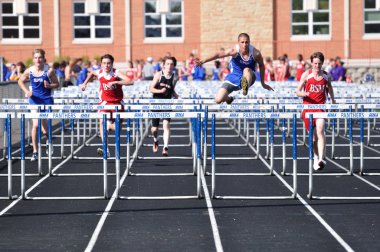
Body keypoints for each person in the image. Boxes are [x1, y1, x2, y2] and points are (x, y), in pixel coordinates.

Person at [195, 33, 274, 104]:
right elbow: (219, 54)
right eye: (242, 42)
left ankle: (245, 87)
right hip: (234, 76)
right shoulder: (234, 51)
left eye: (247, 42)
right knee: (218, 100)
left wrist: (263, 83)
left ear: (249, 42)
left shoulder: (256, 53)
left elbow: (261, 65)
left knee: (246, 70)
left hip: (249, 76)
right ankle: (229, 99)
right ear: (238, 43)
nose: (245, 45)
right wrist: (204, 60)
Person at [81, 54, 134, 157]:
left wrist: (116, 82)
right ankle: (106, 148)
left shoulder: (116, 72)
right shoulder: (99, 72)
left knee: (117, 128)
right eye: (104, 63)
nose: (106, 65)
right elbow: (91, 73)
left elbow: (130, 81)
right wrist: (84, 83)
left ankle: (109, 126)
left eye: (108, 63)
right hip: (105, 102)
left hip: (117, 102)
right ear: (101, 64)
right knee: (101, 122)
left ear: (112, 64)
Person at [296, 51, 335, 171]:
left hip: (320, 107)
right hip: (308, 107)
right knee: (313, 138)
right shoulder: (306, 75)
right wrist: (305, 93)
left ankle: (322, 159)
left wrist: (333, 100)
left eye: (319, 64)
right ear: (312, 63)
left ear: (322, 64)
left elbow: (330, 88)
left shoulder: (326, 76)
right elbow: (297, 91)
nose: (317, 66)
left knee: (320, 131)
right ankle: (316, 156)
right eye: (315, 64)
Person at [18, 48, 59, 161]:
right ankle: (35, 151)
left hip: (47, 100)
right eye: (36, 58)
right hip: (34, 100)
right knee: (36, 125)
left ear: (44, 59)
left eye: (40, 57)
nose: (38, 60)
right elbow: (20, 81)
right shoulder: (29, 71)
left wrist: (50, 86)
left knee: (45, 127)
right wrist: (26, 91)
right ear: (33, 59)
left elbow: (57, 84)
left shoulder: (49, 71)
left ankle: (48, 140)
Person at [149, 56, 179, 156]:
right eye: (167, 64)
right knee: (154, 129)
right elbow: (151, 89)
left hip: (167, 103)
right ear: (164, 65)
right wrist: (160, 91)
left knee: (166, 125)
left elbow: (172, 90)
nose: (169, 66)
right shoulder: (158, 75)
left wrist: (177, 96)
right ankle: (155, 140)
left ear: (174, 66)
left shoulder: (175, 77)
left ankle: (165, 147)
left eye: (171, 64)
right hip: (156, 102)